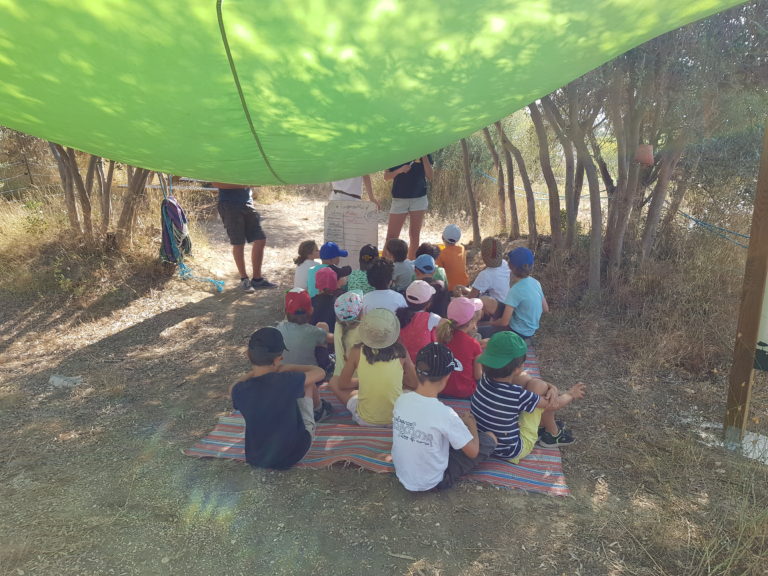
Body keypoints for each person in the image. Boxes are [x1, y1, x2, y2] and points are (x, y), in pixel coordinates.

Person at [391, 343, 498, 491]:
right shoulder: (445, 414)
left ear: (417, 369)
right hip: (433, 482)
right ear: (447, 377)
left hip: (403, 474)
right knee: (489, 439)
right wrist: (471, 424)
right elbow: (473, 452)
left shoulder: (401, 399)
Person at [471, 332, 586, 461]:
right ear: (518, 368)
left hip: (485, 441)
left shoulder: (484, 379)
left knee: (537, 385)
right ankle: (554, 435)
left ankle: (545, 424)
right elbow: (553, 404)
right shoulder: (517, 396)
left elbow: (526, 379)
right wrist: (571, 394)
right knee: (540, 388)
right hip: (511, 450)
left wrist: (551, 387)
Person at [229, 327, 330, 469]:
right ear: (278, 359)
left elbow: (233, 387)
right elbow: (319, 372)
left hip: (256, 456)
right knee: (307, 383)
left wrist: (253, 373)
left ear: (248, 354)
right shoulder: (287, 379)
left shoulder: (240, 390)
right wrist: (287, 367)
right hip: (294, 453)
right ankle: (319, 411)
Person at [330, 308, 418, 426]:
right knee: (416, 387)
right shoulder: (401, 351)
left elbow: (342, 384)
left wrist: (366, 380)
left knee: (333, 381)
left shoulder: (356, 351)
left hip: (365, 421)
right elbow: (414, 383)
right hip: (397, 420)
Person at [212, 182, 277, 292]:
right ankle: (244, 280)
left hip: (247, 203)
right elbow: (216, 183)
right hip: (229, 205)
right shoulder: (223, 165)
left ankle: (257, 280)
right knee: (238, 243)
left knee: (260, 239)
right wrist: (244, 184)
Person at [479, 247, 548, 339]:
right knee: (488, 301)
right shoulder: (535, 282)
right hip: (530, 331)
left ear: (510, 266)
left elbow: (504, 322)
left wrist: (488, 323)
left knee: (480, 331)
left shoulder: (515, 290)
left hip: (516, 332)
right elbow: (545, 309)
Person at [384, 155, 433, 260]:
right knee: (391, 237)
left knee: (414, 235)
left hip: (419, 198)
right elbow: (386, 177)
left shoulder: (425, 149)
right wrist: (400, 170)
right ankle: (384, 268)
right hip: (399, 199)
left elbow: (430, 176)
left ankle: (412, 268)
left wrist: (424, 156)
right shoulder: (396, 150)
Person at [436, 297, 484, 398]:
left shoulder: (441, 337)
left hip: (442, 388)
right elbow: (478, 375)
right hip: (466, 392)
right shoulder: (474, 344)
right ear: (471, 322)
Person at [455, 237, 510, 319]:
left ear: (483, 255)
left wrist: (459, 297)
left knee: (471, 303)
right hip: (508, 306)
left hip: (499, 310)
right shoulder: (505, 264)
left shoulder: (486, 274)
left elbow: (471, 297)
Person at [276, 289, 333, 367]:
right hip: (311, 375)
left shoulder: (279, 328)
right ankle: (326, 365)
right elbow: (335, 339)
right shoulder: (315, 332)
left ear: (286, 311)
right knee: (323, 326)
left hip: (284, 374)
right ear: (311, 310)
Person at [397, 280, 441, 362]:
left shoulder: (397, 315)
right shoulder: (432, 318)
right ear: (429, 304)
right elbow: (448, 325)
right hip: (424, 364)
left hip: (402, 363)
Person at [328, 291, 364, 390]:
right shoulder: (365, 330)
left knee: (333, 382)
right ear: (361, 311)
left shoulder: (338, 326)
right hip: (359, 381)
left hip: (339, 378)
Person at [436, 224, 469, 291]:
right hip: (465, 286)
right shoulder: (462, 248)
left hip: (450, 289)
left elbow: (438, 274)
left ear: (442, 237)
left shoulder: (441, 254)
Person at [311, 266, 341, 333]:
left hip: (313, 340)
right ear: (336, 286)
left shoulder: (311, 302)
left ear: (316, 285)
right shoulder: (339, 303)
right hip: (333, 340)